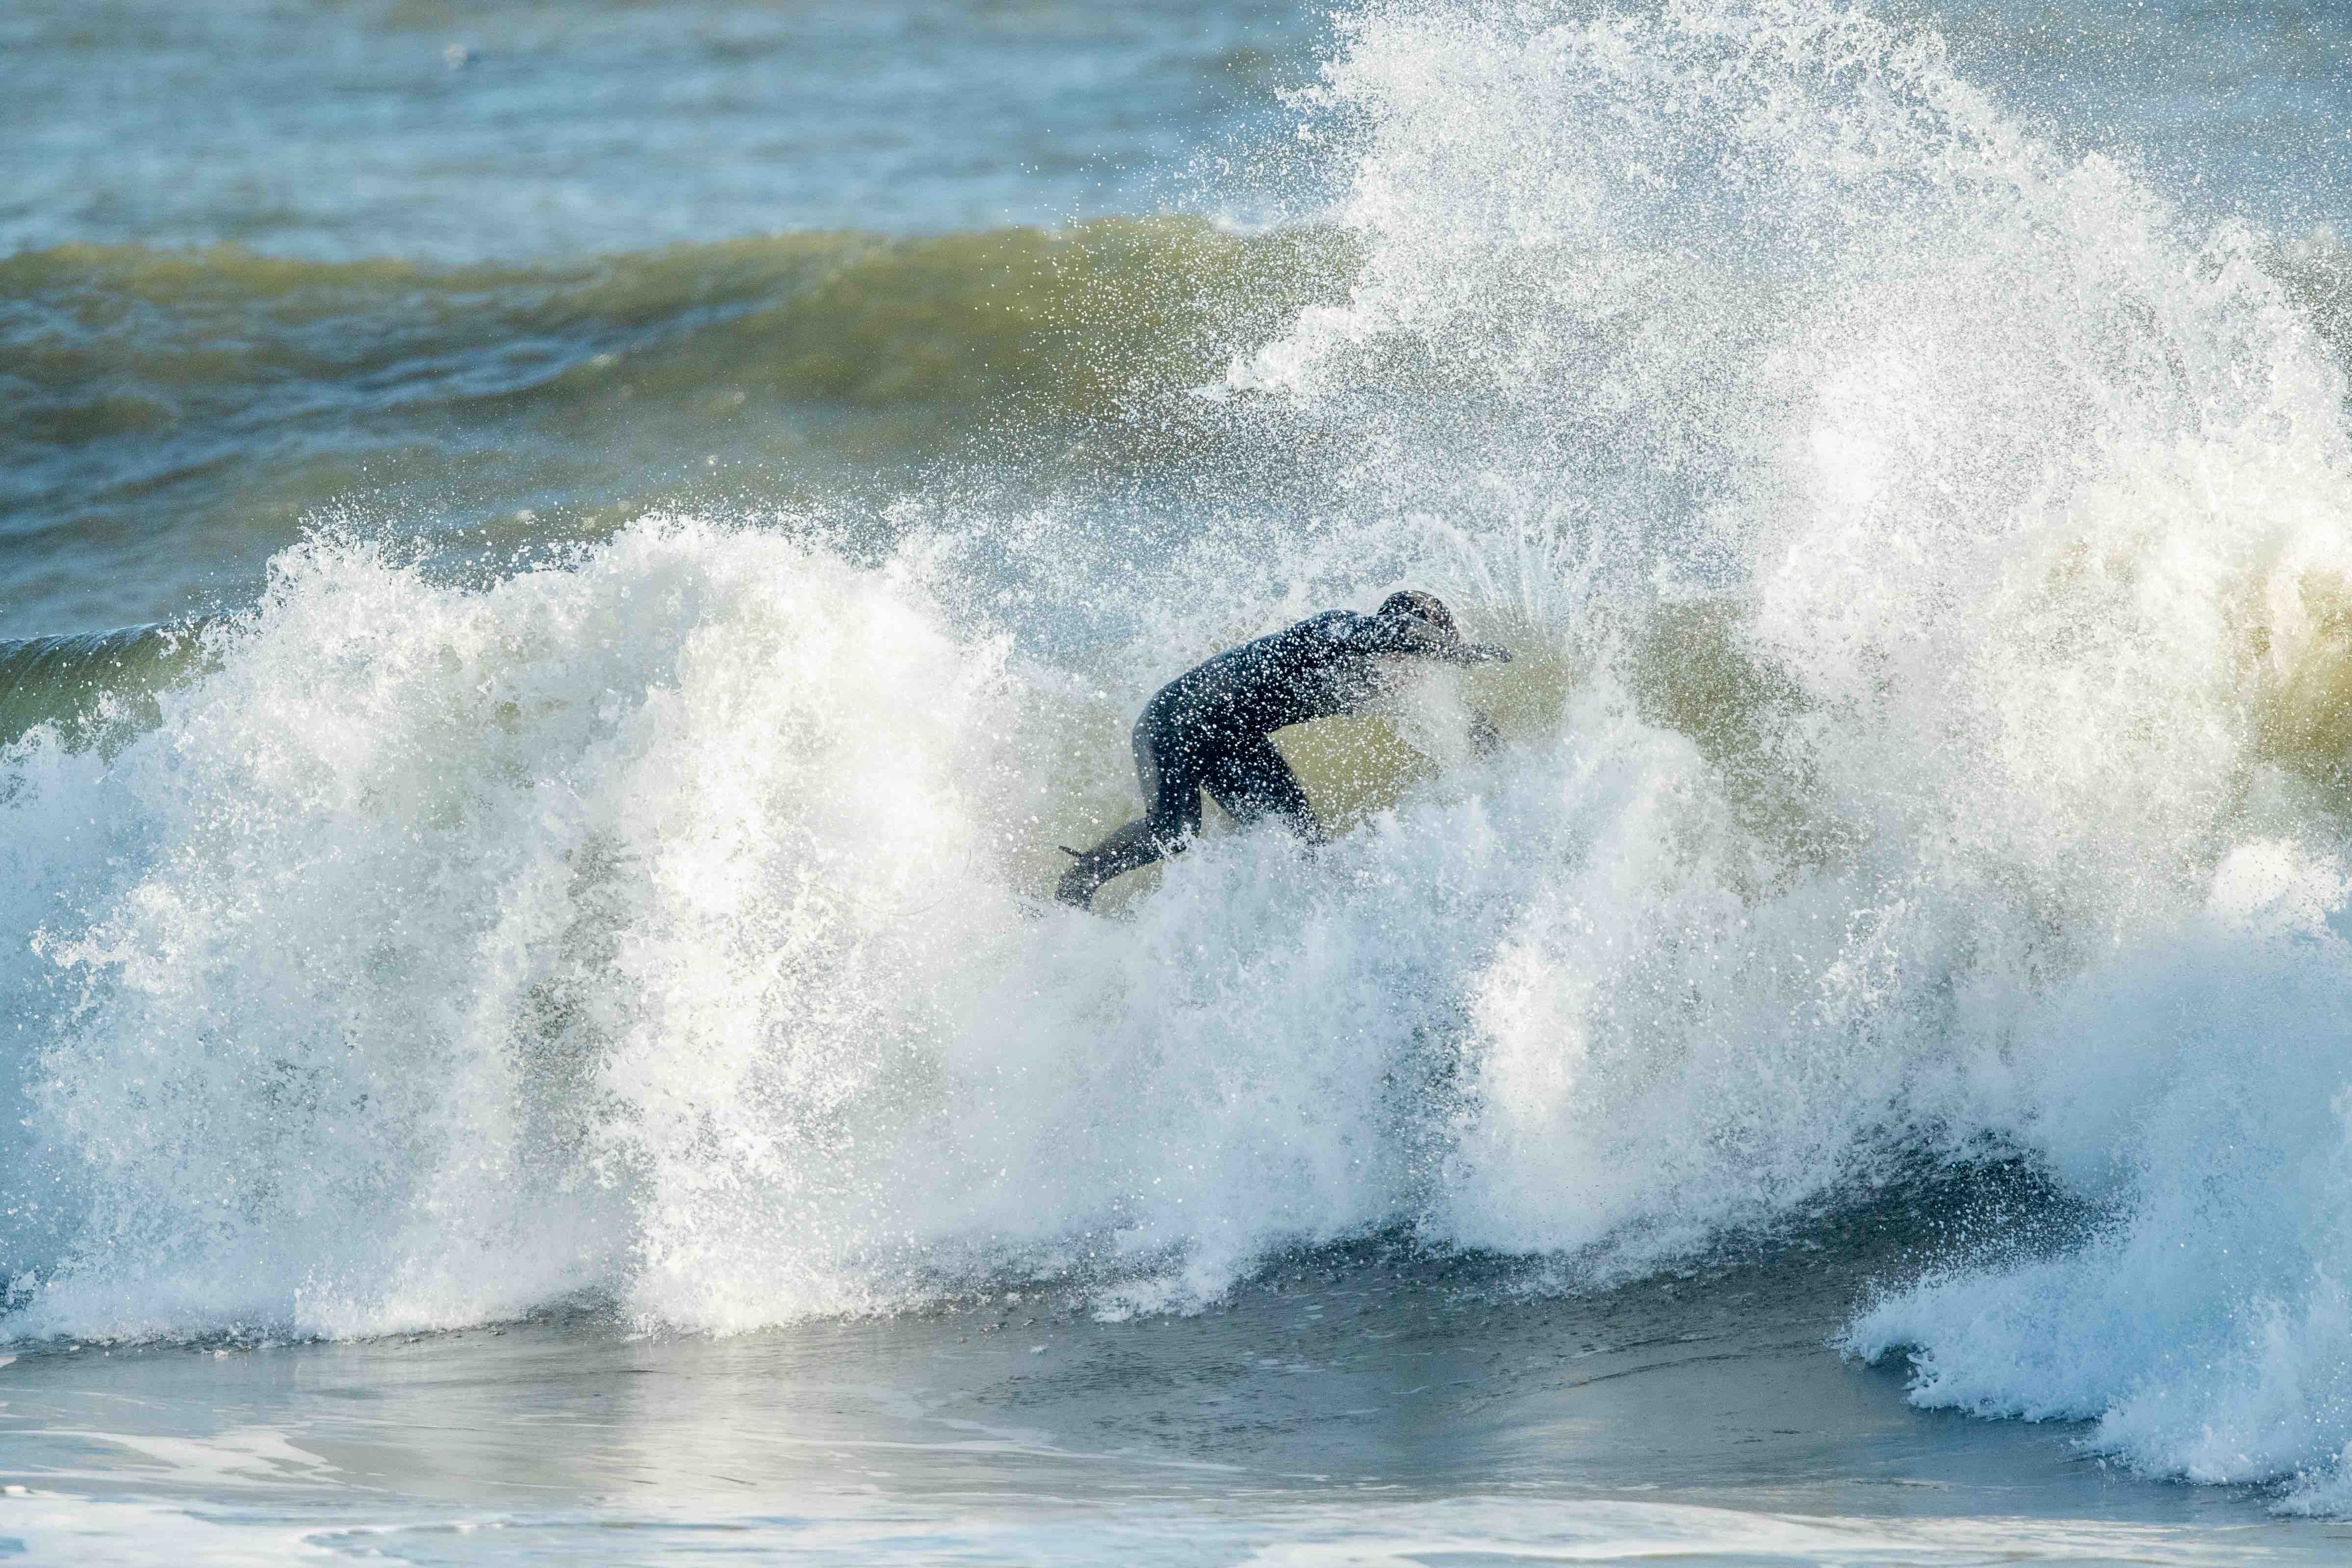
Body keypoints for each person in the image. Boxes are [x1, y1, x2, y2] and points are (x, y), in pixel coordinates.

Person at [1055, 590, 1510, 909]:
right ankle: (1075, 885)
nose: (1419, 675)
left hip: (1233, 740)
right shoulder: (1340, 630)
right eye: (1420, 658)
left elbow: (1446, 719)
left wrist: (1493, 753)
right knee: (1176, 830)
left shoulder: (1377, 679)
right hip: (1176, 721)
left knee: (1300, 845)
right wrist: (1462, 652)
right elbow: (1393, 630)